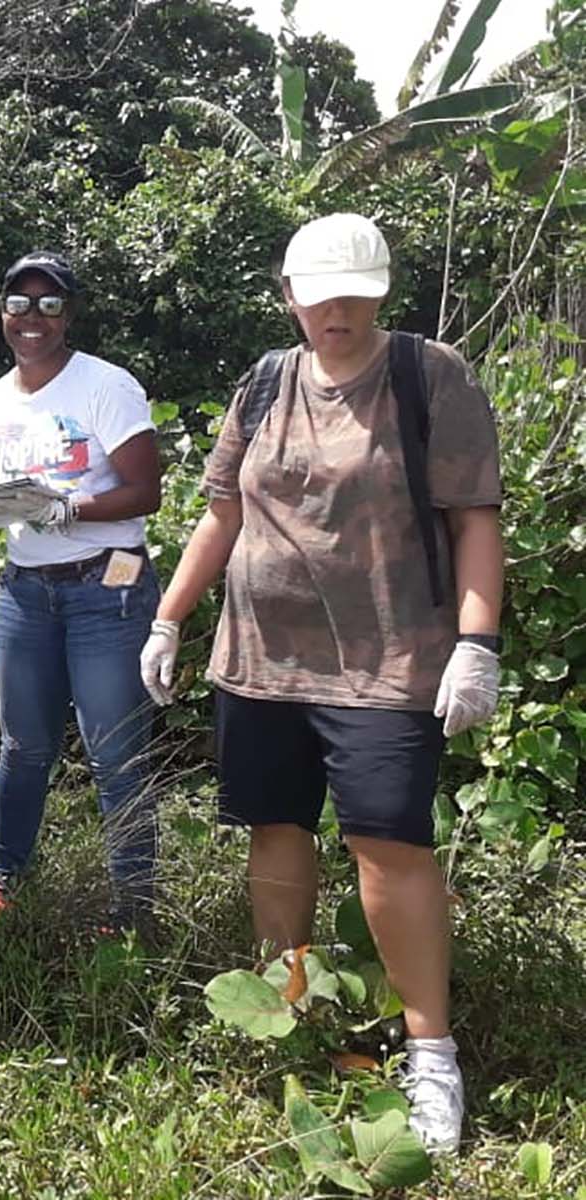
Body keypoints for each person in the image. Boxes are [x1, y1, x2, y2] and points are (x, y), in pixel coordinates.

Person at [141, 213, 502, 1154]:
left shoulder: (430, 378)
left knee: (389, 845)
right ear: (291, 295)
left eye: (355, 293)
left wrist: (478, 642)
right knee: (276, 829)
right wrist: (171, 616)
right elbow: (223, 515)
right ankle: (289, 1001)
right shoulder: (263, 383)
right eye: (318, 294)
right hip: (262, 661)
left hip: (387, 660)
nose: (336, 311)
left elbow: (473, 520)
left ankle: (431, 1057)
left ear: (379, 293)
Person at [0, 250, 162, 934]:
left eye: (48, 304)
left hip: (107, 586)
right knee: (22, 746)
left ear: (67, 314)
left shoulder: (105, 386)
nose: (32, 318)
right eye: (19, 304)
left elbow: (145, 491)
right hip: (24, 590)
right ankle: (4, 886)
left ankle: (134, 907)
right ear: (2, 314)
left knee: (115, 752)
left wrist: (68, 510)